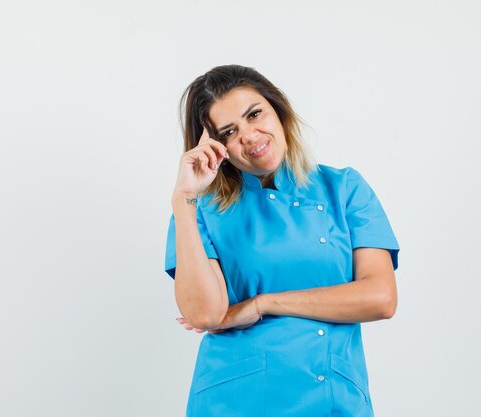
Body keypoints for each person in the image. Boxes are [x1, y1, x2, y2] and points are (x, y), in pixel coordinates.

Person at [164, 64, 400, 417]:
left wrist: (261, 304)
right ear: (216, 146)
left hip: (333, 398)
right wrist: (183, 198)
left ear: (279, 110)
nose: (248, 135)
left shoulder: (344, 189)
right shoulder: (202, 209)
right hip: (234, 402)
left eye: (254, 114)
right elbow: (205, 313)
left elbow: (381, 298)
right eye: (229, 131)